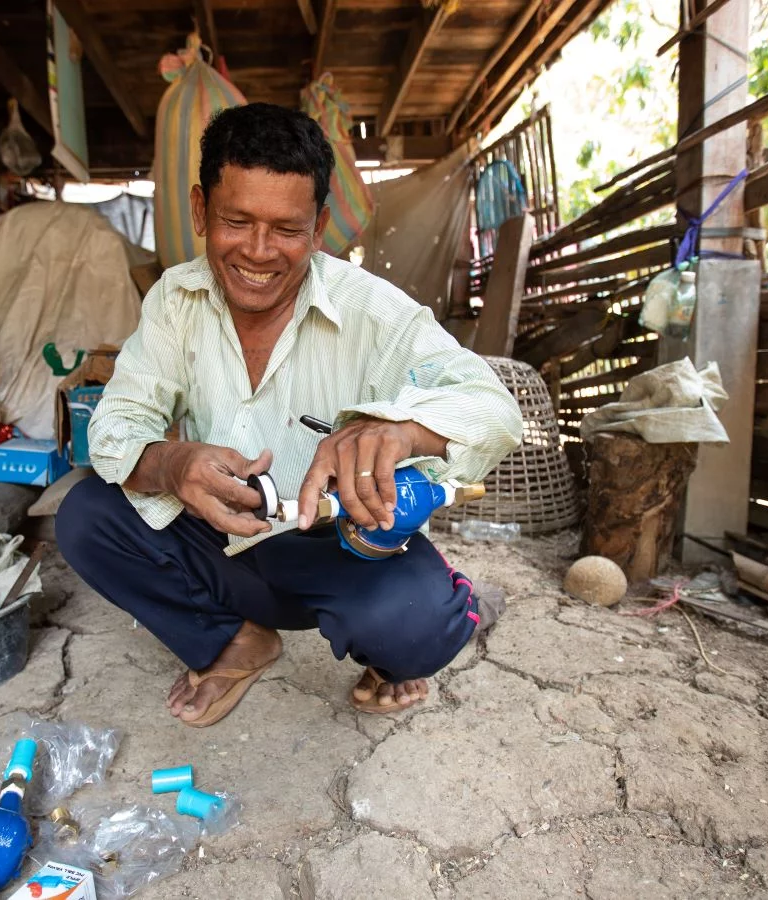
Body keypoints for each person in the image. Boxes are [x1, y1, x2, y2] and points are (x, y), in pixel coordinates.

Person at [56, 103, 523, 727]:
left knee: (414, 631)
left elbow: (495, 407)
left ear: (319, 225)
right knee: (87, 519)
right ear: (200, 210)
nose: (257, 252)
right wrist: (172, 464)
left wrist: (402, 428)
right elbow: (115, 424)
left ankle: (437, 623)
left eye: (286, 229)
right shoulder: (174, 300)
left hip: (345, 546)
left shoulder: (376, 313)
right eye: (235, 221)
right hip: (221, 537)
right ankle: (234, 640)